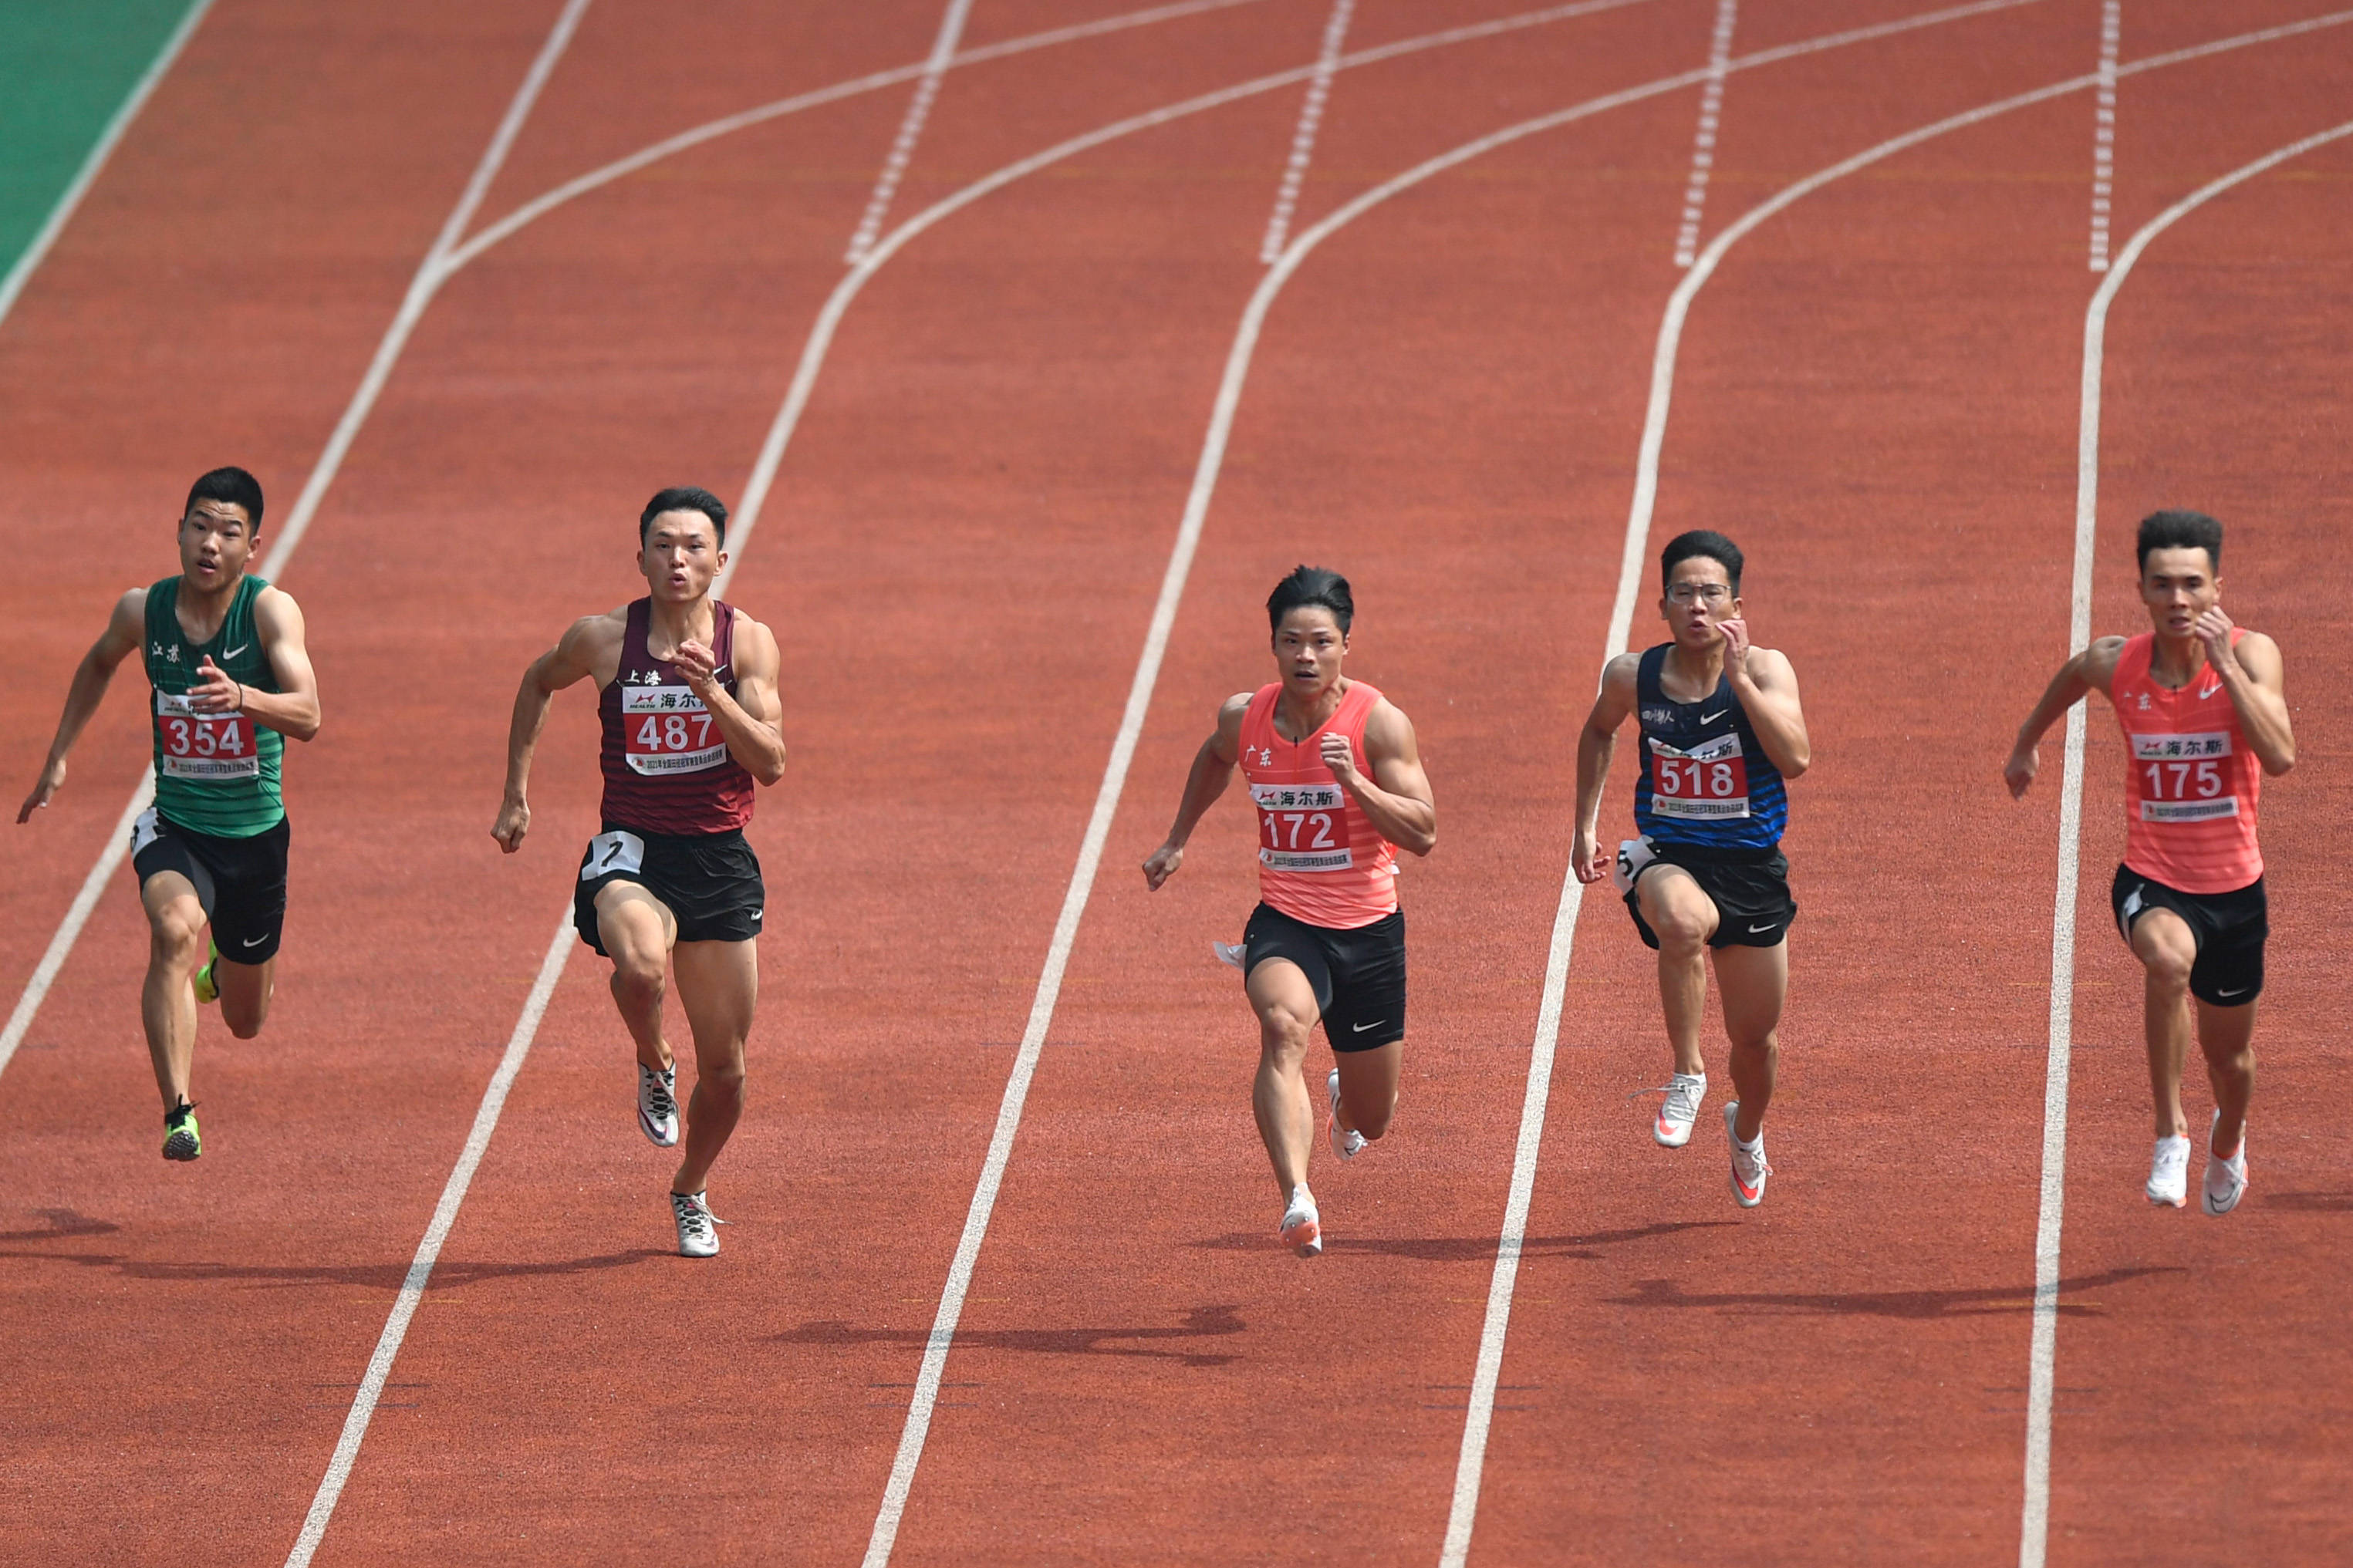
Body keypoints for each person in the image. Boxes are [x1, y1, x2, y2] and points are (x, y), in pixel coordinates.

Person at [493, 487, 785, 1256]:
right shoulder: (600, 639)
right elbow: (535, 682)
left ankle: (689, 1186)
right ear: (641, 557)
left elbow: (772, 762)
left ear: (719, 560)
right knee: (642, 967)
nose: (677, 559)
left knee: (726, 1073)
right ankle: (653, 1059)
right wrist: (516, 792)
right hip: (632, 849)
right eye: (662, 544)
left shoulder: (746, 643)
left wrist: (710, 693)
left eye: (693, 546)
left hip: (718, 859)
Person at [18, 467, 322, 1161]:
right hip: (178, 826)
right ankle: (178, 1112)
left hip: (254, 840)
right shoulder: (143, 612)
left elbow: (308, 714)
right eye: (200, 526)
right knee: (171, 930)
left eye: (229, 531)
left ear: (253, 548)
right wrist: (60, 754)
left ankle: (223, 971)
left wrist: (243, 697)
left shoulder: (271, 612)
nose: (210, 543)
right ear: (179, 530)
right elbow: (98, 664)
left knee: (246, 1021)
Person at [1142, 566, 1436, 1256]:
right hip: (1286, 921)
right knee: (1281, 1026)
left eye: (1321, 642)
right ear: (1273, 645)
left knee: (1376, 1116)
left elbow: (1422, 832)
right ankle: (1297, 1196)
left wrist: (1353, 780)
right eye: (1292, 641)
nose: (1306, 655)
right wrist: (1177, 838)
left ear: (1345, 647)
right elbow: (1217, 759)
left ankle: (1343, 1103)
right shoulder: (1245, 716)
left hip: (1368, 932)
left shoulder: (1379, 724)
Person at [2007, 509, 2291, 1216]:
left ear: (2217, 586)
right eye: (2162, 584)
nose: (2178, 599)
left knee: (2232, 1064)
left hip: (2235, 892)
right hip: (2153, 878)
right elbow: (2072, 675)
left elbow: (2281, 755)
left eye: (2192, 584)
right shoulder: (2119, 661)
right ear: (2141, 588)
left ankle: (2228, 1135)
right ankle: (2171, 1134)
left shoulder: (2252, 656)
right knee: (2166, 963)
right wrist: (2026, 743)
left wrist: (2223, 664)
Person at [1570, 531, 1809, 1207]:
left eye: (1711, 593)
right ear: (1662, 604)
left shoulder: (1766, 669)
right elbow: (1598, 730)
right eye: (1683, 593)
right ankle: (1687, 1073)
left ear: (1736, 603)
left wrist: (1739, 682)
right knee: (1679, 922)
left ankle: (1747, 1130)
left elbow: (1795, 759)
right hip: (1669, 854)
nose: (1697, 606)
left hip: (1752, 866)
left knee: (1757, 1043)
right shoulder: (1633, 677)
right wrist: (1586, 824)